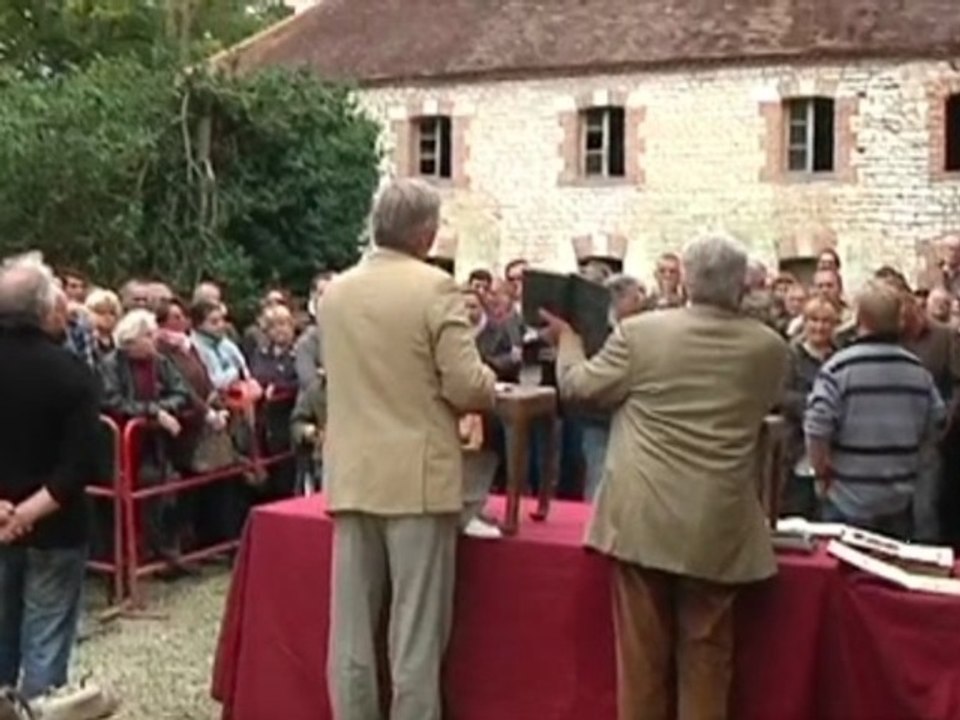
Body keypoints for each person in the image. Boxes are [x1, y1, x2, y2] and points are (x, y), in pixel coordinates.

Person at [543, 233, 787, 720]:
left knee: (642, 661)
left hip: (645, 516)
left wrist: (568, 343)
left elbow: (577, 388)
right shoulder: (770, 349)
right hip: (717, 521)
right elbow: (761, 405)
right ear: (741, 286)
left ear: (687, 279)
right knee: (707, 659)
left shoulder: (641, 334)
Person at [323, 178, 496, 720]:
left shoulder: (336, 291)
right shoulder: (435, 289)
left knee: (350, 632)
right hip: (418, 478)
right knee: (415, 636)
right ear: (425, 233)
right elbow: (467, 386)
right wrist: (493, 384)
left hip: (353, 471)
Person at [0, 255, 101, 699]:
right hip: (56, 526)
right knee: (45, 641)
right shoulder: (73, 374)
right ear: (45, 311)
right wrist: (27, 513)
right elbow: (80, 465)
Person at [805, 280, 944, 537]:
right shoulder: (918, 372)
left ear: (860, 319)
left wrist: (821, 472)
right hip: (898, 501)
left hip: (846, 501)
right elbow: (935, 423)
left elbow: (816, 426)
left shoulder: (838, 369)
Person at [780, 297, 839, 518]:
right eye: (814, 320)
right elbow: (781, 394)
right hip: (797, 447)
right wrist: (816, 407)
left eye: (826, 321)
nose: (819, 327)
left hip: (832, 449)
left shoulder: (840, 357)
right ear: (804, 322)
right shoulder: (790, 356)